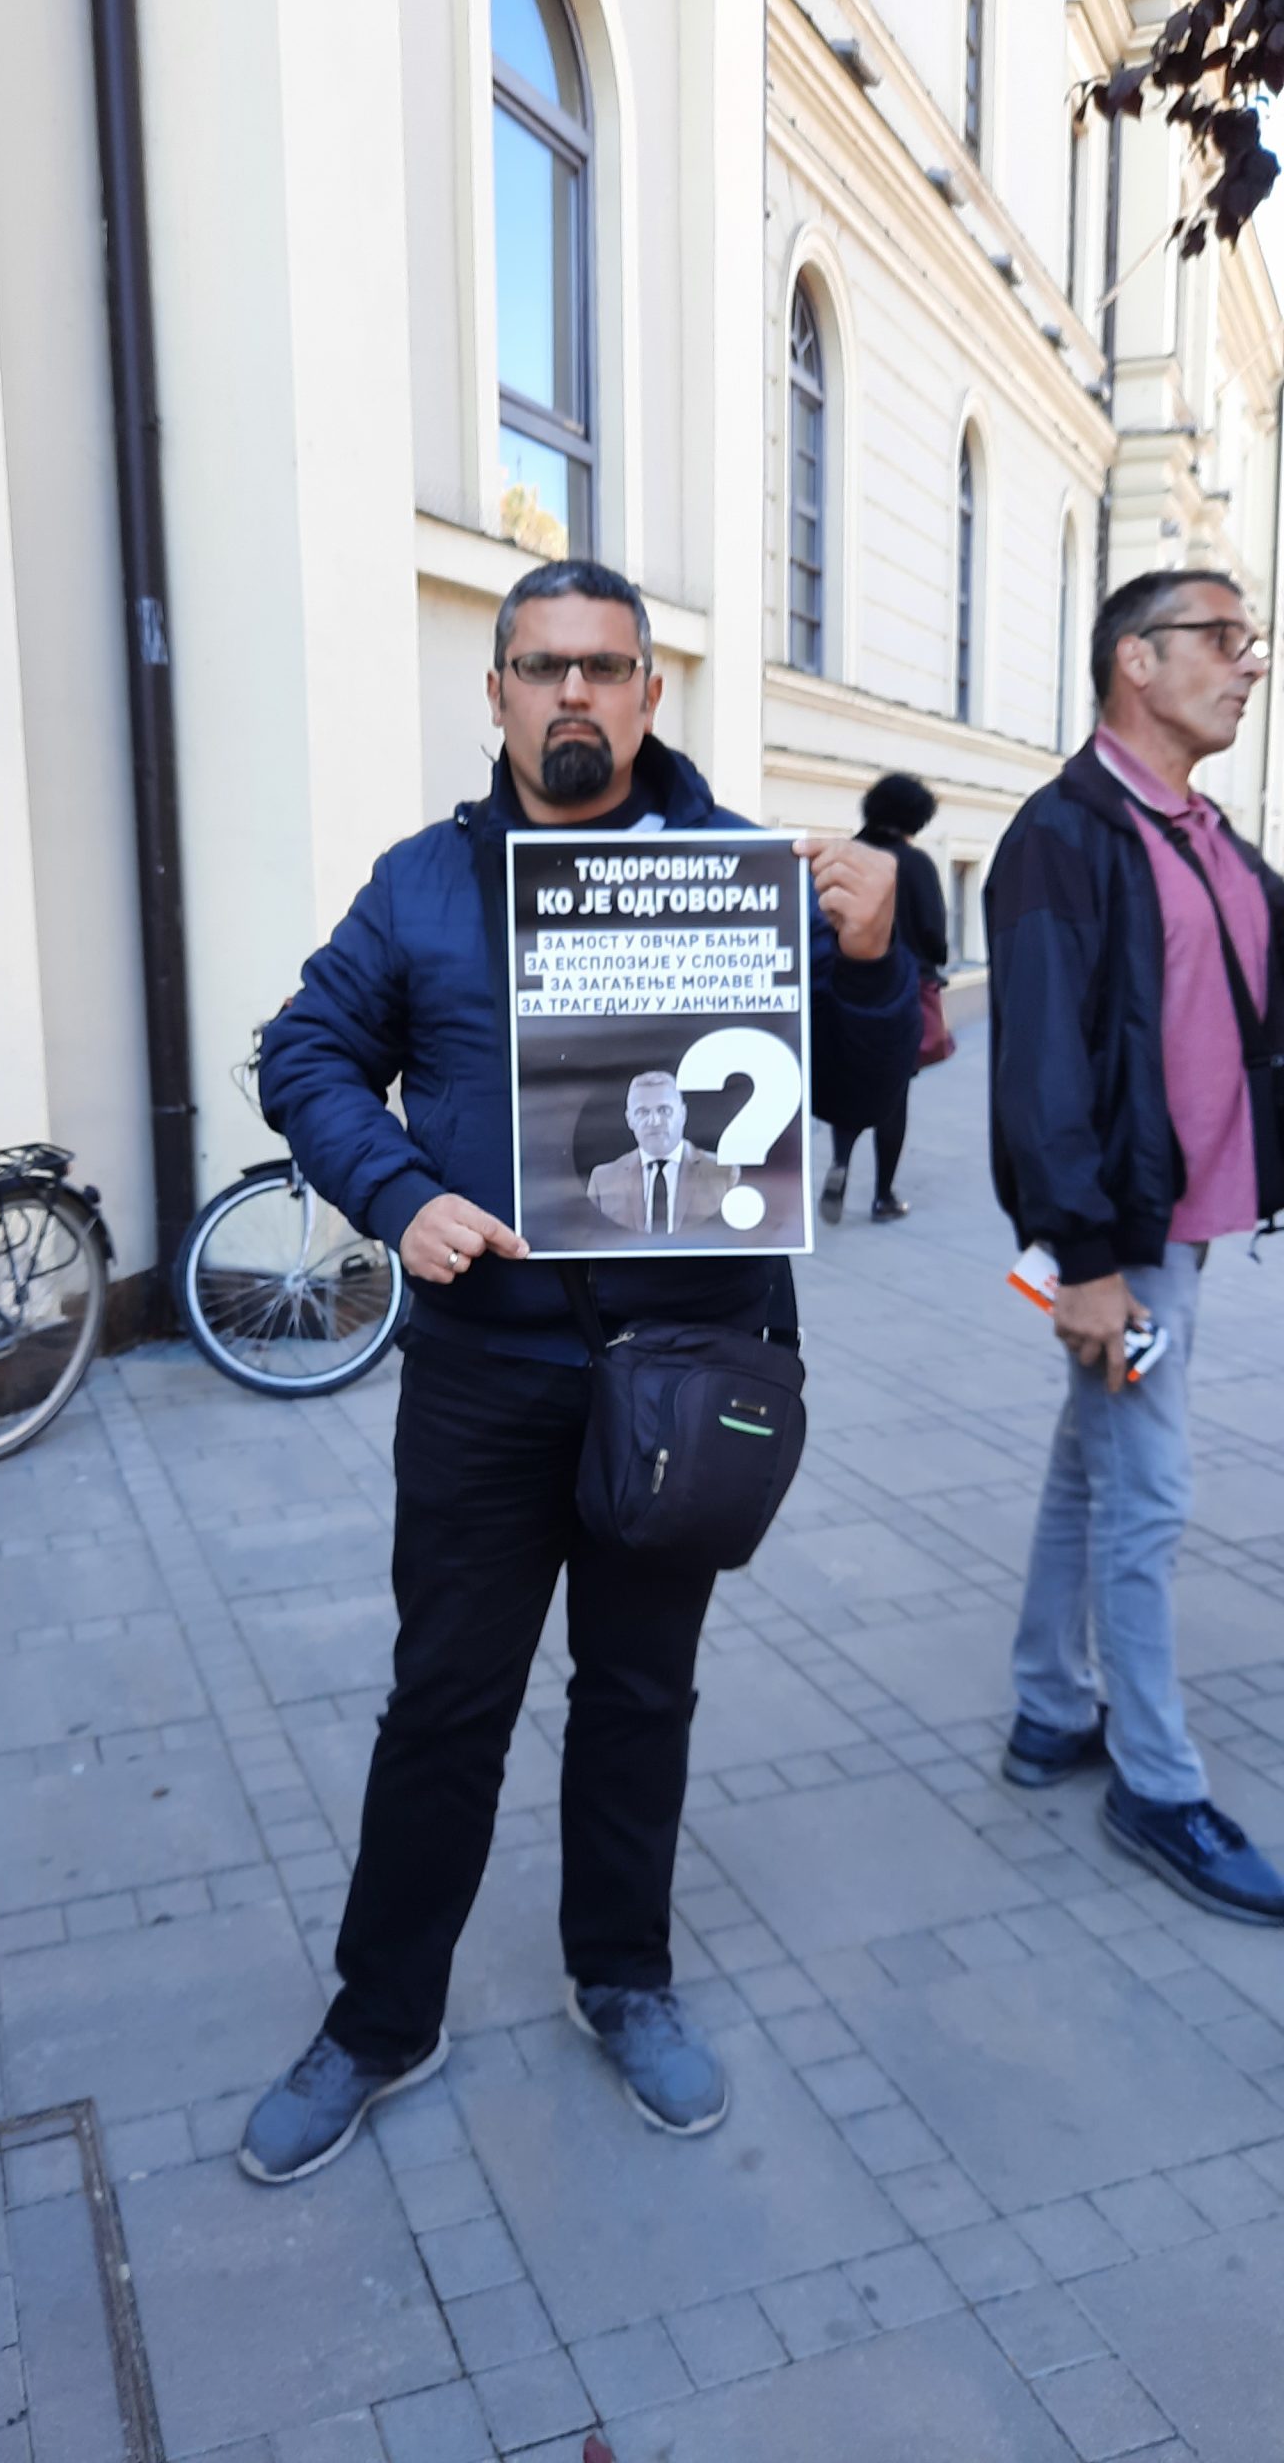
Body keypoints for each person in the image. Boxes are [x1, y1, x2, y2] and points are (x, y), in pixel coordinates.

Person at [239, 557, 918, 2185]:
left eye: (602, 669)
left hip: (681, 1377)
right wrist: (397, 1197)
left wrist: (879, 958)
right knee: (446, 1706)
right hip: (486, 1377)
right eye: (539, 668)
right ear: (494, 695)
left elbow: (867, 1080)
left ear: (646, 692)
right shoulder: (421, 885)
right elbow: (303, 1050)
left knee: (639, 1696)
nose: (571, 697)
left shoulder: (738, 870)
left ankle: (622, 1977)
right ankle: (380, 2018)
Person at [987, 567, 1284, 1923]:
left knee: (1087, 1465)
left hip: (1190, 1225)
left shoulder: (1209, 835)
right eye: (1221, 639)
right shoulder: (1066, 835)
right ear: (1134, 664)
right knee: (1147, 1491)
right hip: (1129, 1242)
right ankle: (1158, 1786)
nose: (1248, 664)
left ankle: (1053, 1711)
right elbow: (1045, 1062)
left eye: (1250, 641)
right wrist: (1087, 1258)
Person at [820, 772, 948, 1224]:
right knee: (893, 1094)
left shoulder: (845, 857)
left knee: (848, 1082)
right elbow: (934, 933)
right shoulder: (914, 865)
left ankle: (839, 1163)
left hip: (844, 987)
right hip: (902, 994)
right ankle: (883, 1196)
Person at [586, 1070, 737, 1235]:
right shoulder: (603, 1180)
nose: (654, 1121)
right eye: (642, 1112)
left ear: (683, 1114)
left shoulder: (724, 1173)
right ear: (629, 1119)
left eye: (664, 1110)